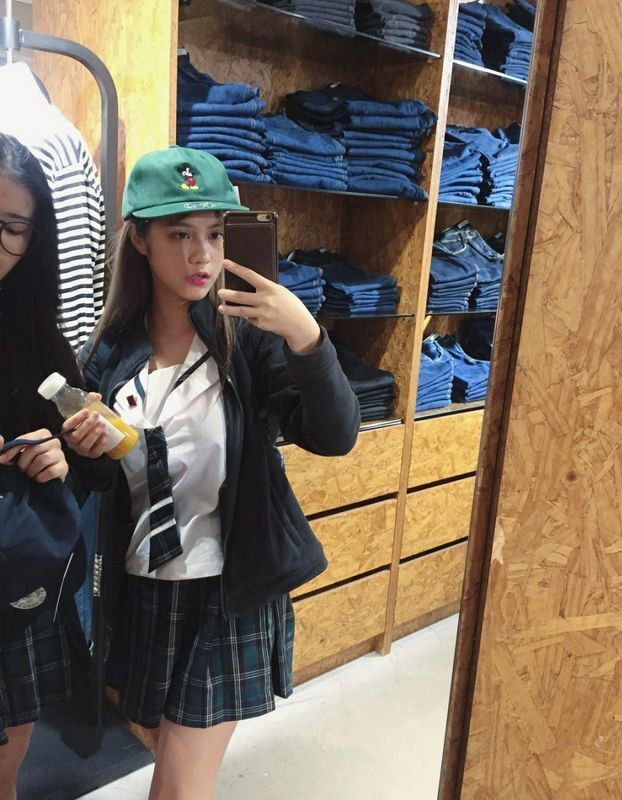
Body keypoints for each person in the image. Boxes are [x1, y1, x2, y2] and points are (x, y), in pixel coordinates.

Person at [64, 146, 360, 799]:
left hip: (227, 593)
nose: (202, 255)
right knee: (165, 756)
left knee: (176, 788)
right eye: (179, 234)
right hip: (144, 591)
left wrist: (308, 339)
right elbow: (100, 485)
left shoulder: (245, 339)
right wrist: (83, 452)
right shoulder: (109, 355)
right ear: (139, 240)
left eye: (215, 233)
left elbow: (335, 435)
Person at [0, 133, 100, 799]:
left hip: (15, 574)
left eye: (11, 228)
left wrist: (66, 456)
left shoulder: (39, 334)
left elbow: (91, 455)